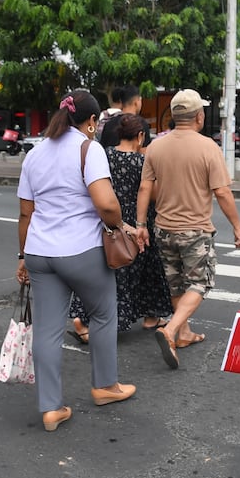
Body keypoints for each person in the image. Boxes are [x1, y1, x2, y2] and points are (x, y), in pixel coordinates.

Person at [15, 90, 139, 432]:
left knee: (47, 329)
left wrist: (23, 256)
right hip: (81, 250)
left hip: (40, 252)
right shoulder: (88, 148)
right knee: (102, 313)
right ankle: (105, 386)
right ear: (92, 121)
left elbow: (25, 213)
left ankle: (51, 408)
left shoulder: (35, 154)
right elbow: (107, 204)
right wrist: (119, 225)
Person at [134, 88, 240, 369]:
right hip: (195, 230)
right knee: (199, 283)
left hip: (162, 228)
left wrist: (140, 225)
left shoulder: (156, 147)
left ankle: (184, 333)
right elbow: (222, 192)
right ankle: (172, 329)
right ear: (199, 116)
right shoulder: (208, 147)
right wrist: (237, 226)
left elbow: (145, 187)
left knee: (176, 283)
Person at [68, 114, 172, 339]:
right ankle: (147, 316)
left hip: (108, 218)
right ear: (140, 136)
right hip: (137, 222)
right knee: (141, 270)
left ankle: (84, 314)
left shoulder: (104, 155)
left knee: (107, 269)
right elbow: (153, 194)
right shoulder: (142, 162)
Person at [98, 84, 152, 149]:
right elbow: (145, 151)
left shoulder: (109, 125)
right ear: (136, 102)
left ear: (121, 102)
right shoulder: (142, 125)